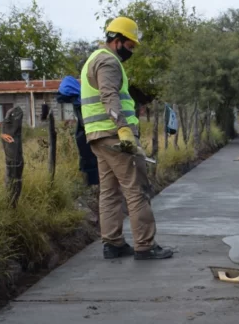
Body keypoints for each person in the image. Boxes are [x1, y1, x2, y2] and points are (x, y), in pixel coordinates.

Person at [81, 17, 172, 260]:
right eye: (129, 46)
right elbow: (109, 95)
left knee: (109, 191)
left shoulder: (93, 59)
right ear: (117, 40)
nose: (130, 51)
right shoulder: (108, 62)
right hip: (115, 137)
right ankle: (145, 245)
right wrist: (123, 130)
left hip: (99, 137)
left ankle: (113, 243)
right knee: (136, 188)